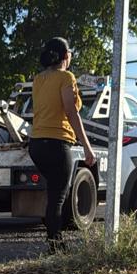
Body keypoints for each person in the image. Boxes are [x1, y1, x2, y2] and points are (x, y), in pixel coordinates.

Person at [27, 37, 97, 250]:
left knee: (54, 193)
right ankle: (56, 246)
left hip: (36, 144)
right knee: (58, 196)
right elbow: (70, 110)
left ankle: (55, 242)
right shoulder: (66, 77)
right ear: (66, 56)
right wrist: (87, 146)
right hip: (57, 143)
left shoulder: (38, 79)